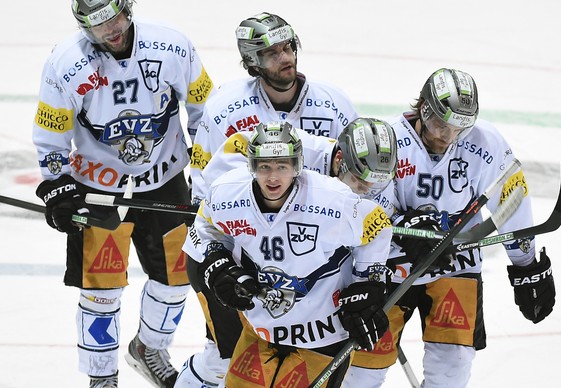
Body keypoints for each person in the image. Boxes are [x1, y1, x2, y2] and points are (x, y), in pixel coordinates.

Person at [32, 0, 215, 387]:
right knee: (101, 291)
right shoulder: (66, 64)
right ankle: (102, 378)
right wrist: (58, 186)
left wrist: (205, 173)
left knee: (178, 277)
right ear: (84, 27)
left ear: (128, 9)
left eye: (115, 18)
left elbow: (205, 111)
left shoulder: (172, 47)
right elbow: (51, 135)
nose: (111, 30)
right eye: (99, 25)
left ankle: (149, 349)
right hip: (98, 191)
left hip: (165, 181)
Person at [342, 68, 556, 388]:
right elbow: (363, 201)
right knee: (361, 373)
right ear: (424, 109)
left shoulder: (485, 142)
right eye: (440, 124)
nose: (447, 136)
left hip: (455, 265)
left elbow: (511, 196)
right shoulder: (387, 139)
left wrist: (527, 267)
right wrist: (404, 227)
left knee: (453, 367)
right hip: (387, 267)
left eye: (459, 128)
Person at [175, 117, 399, 386]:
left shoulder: (331, 198)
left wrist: (369, 284)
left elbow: (377, 226)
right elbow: (205, 224)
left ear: (297, 166)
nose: (272, 177)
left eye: (282, 166)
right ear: (251, 166)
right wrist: (216, 262)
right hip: (261, 328)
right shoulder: (227, 192)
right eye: (264, 166)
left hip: (321, 333)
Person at [189, 11, 359, 205]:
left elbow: (357, 166)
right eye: (272, 54)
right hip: (249, 221)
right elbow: (204, 174)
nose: (285, 58)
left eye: (287, 48)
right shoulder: (224, 109)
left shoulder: (334, 103)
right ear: (253, 63)